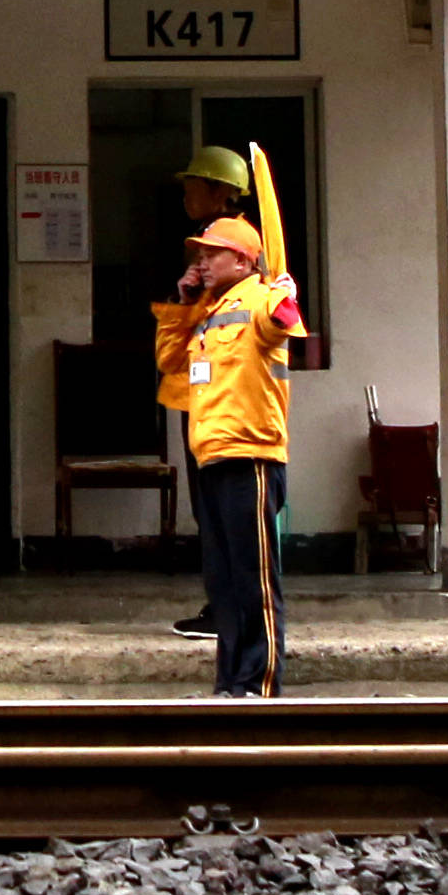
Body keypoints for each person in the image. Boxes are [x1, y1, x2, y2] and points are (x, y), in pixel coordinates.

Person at [154, 146, 297, 639]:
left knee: (234, 526)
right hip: (202, 400)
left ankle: (232, 619)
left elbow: (274, 318)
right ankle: (223, 612)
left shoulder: (234, 248)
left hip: (234, 412)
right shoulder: (206, 250)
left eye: (195, 184)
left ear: (220, 190)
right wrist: (186, 296)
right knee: (210, 515)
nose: (187, 194)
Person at [174, 214, 295, 695]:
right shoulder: (209, 311)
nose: (201, 260)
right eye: (199, 253)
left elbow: (284, 323)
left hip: (251, 455)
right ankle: (230, 683)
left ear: (243, 260)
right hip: (212, 456)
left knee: (254, 579)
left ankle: (259, 683)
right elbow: (174, 365)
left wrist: (285, 296)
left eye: (211, 252)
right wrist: (187, 305)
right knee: (222, 581)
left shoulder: (263, 297)